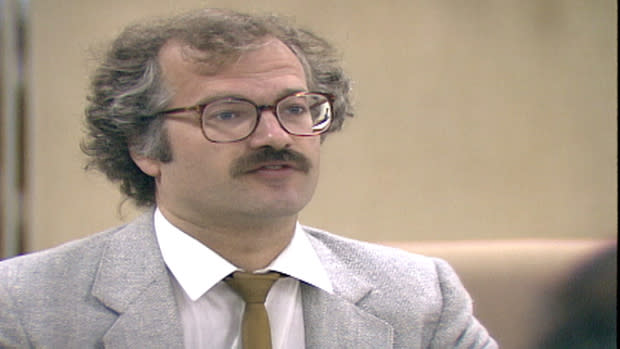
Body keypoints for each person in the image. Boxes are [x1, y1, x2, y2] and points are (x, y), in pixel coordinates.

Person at [0, 8, 497, 348]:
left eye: (296, 108)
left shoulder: (419, 297)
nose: (274, 135)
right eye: (229, 114)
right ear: (144, 147)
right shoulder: (27, 305)